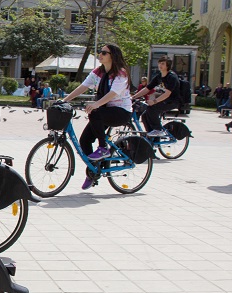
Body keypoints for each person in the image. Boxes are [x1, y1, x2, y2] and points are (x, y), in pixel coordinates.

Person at [62, 43, 133, 190]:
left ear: (112, 55)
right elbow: (83, 86)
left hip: (121, 112)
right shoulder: (98, 72)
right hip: (104, 112)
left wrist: (96, 104)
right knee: (84, 141)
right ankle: (93, 171)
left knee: (95, 111)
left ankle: (103, 147)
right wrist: (64, 100)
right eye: (100, 52)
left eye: (104, 53)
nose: (100, 54)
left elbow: (113, 93)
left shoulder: (121, 73)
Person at [132, 56, 180, 138]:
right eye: (159, 63)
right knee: (144, 115)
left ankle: (158, 130)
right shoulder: (159, 76)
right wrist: (134, 97)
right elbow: (147, 88)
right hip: (164, 100)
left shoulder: (172, 77)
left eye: (163, 64)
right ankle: (152, 136)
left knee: (152, 108)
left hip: (173, 101)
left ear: (167, 65)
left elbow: (167, 94)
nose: (160, 65)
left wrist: (154, 101)